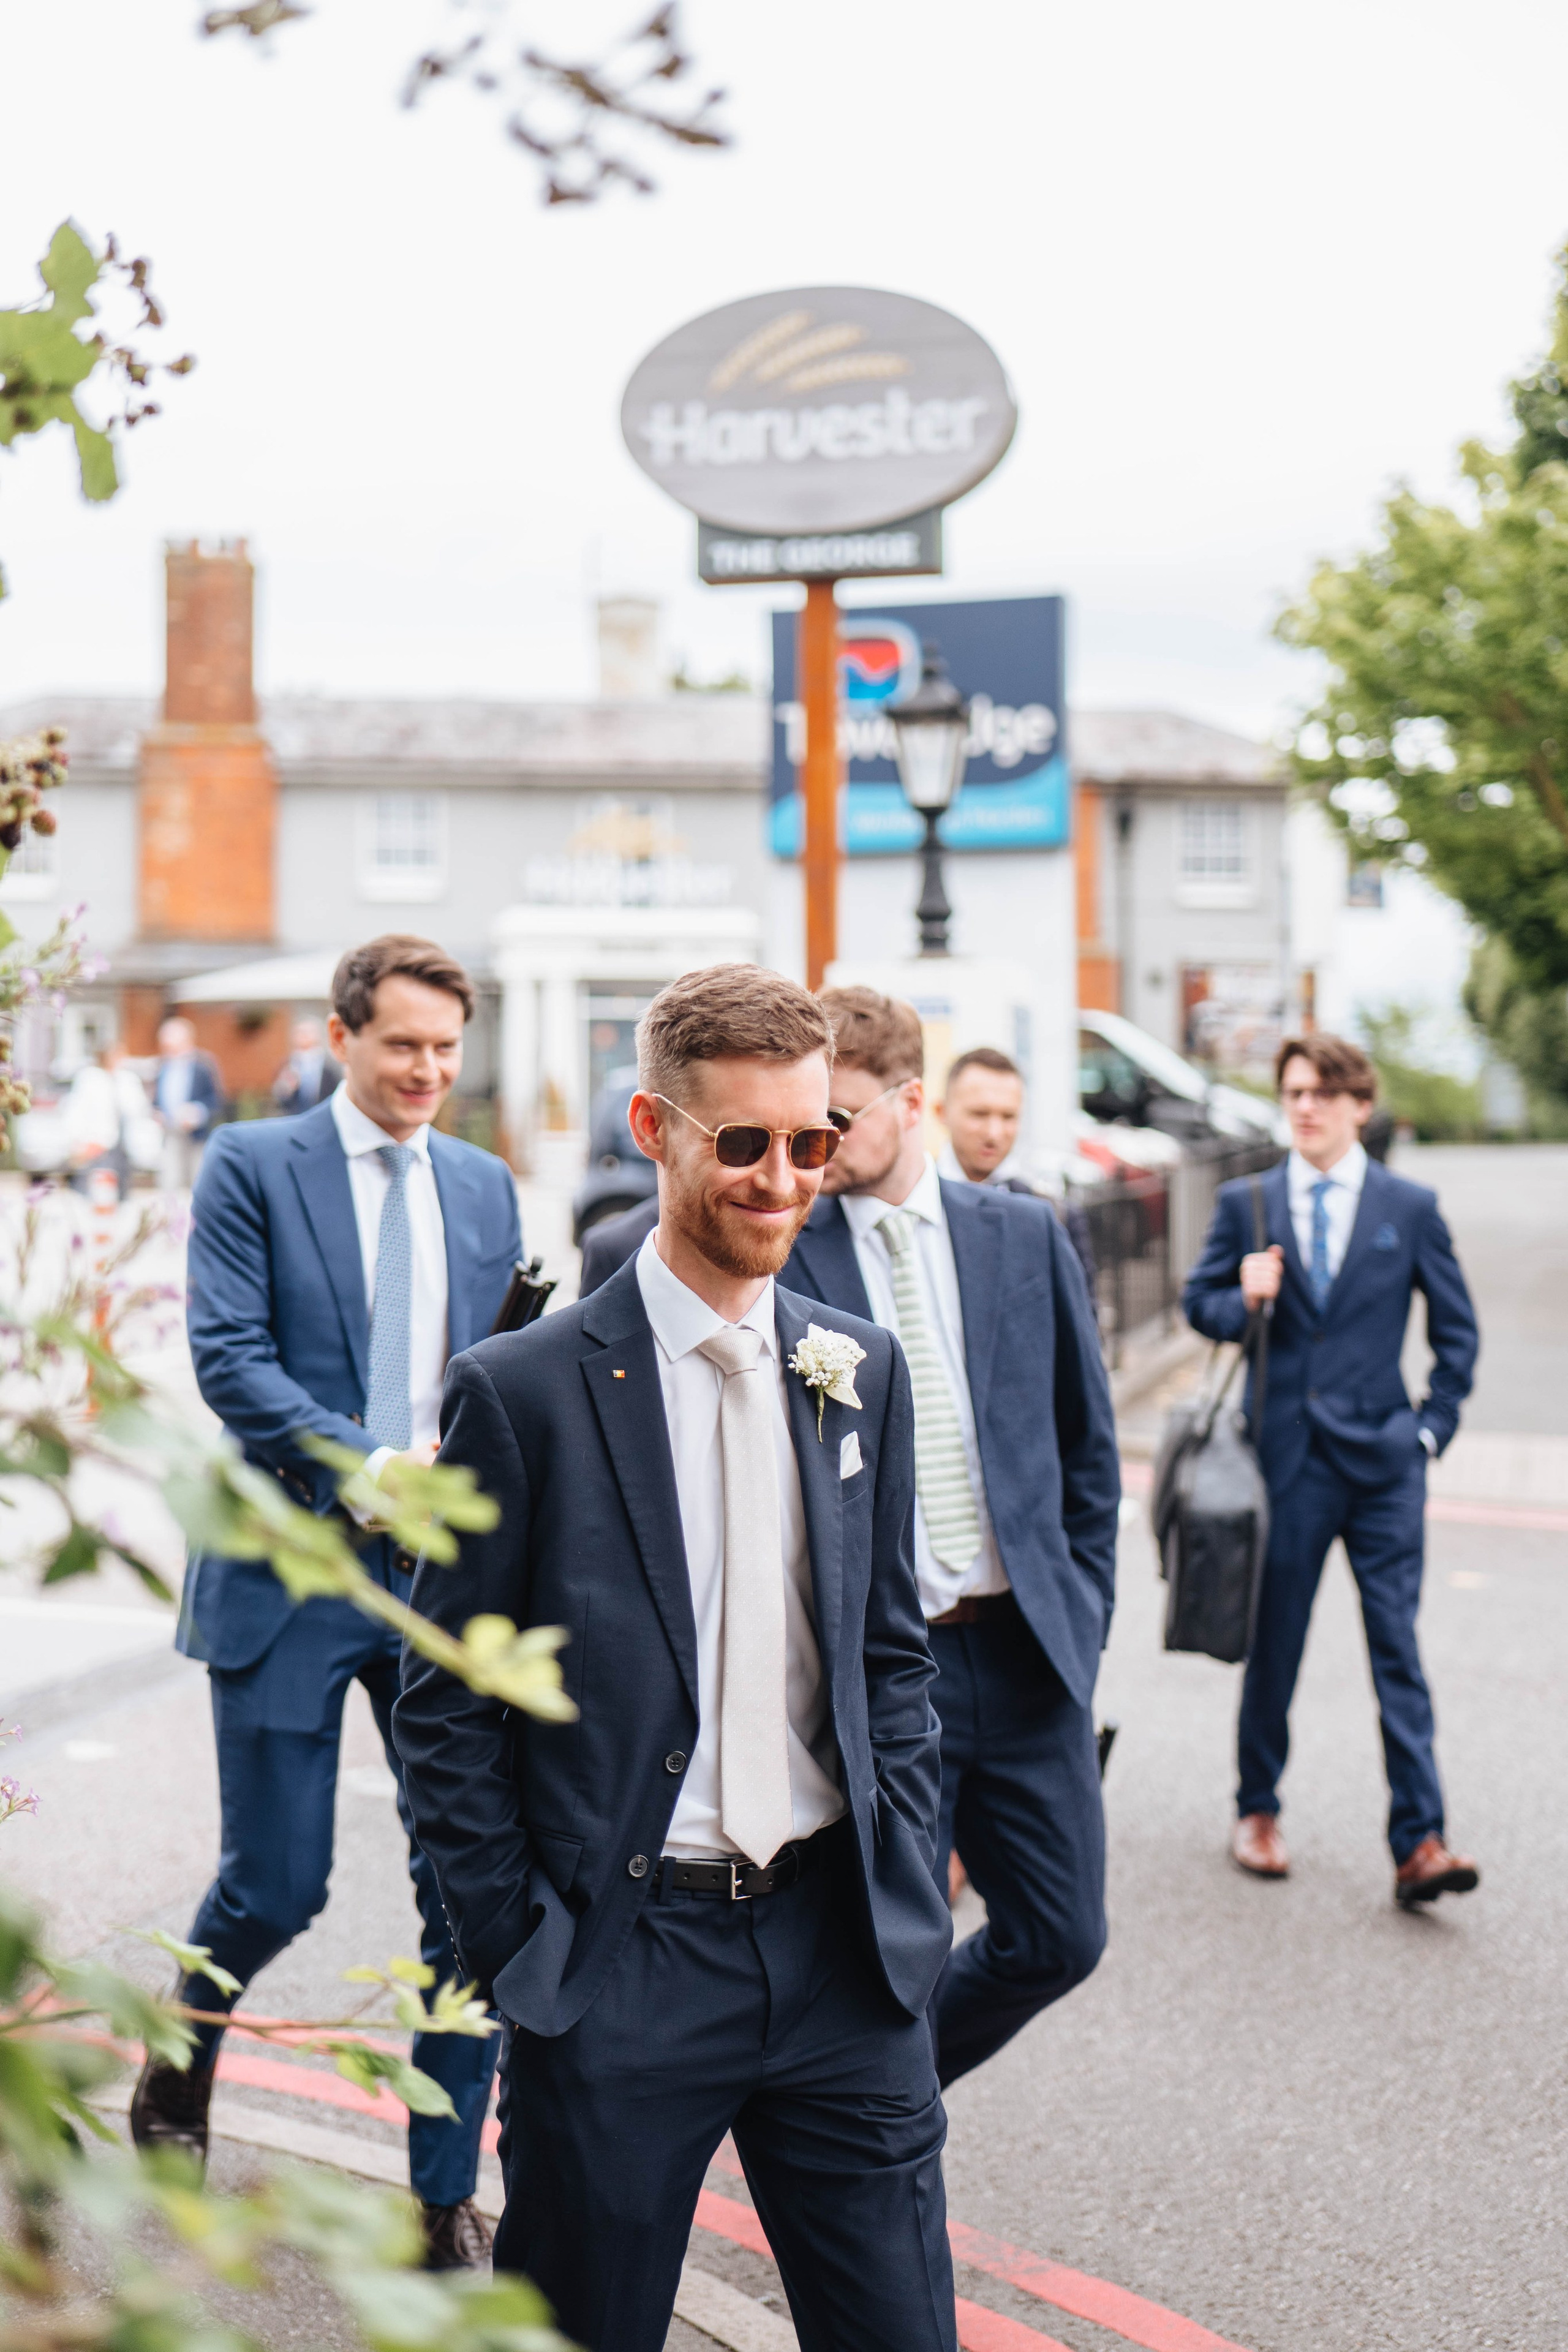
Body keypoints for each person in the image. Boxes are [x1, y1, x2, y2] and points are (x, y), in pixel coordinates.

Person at [393, 963, 958, 2352]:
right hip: (622, 1963)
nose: (782, 1178)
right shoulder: (517, 1392)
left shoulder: (856, 1367)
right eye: (744, 1142)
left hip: (839, 1958)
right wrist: (524, 1954)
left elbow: (887, 1651)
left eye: (811, 1140)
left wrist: (907, 1868)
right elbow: (444, 1703)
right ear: (654, 1128)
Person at [130, 935, 522, 2269]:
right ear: (346, 1035)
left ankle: (437, 2197)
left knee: (466, 1898)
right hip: (290, 1570)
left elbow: (494, 1372)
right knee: (276, 1884)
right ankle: (180, 2057)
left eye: (445, 1052)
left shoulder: (482, 1186)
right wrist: (367, 1473)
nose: (426, 1072)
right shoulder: (252, 1165)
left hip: (438, 1589)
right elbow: (229, 1360)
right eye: (403, 1044)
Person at [783, 987, 1120, 2090]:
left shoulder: (1023, 1232)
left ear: (911, 1099)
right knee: (897, 1964)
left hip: (1028, 1654)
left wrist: (1085, 1612)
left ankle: (868, 2110)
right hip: (892, 1669)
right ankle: (879, 2197)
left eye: (835, 1117)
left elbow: (1087, 1446)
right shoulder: (789, 1254)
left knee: (1061, 1937)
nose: (812, 1143)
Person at [1182, 1032, 1480, 1905]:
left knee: (1398, 1650)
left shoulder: (1410, 1205)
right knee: (1277, 1644)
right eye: (1293, 1092)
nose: (1304, 1107)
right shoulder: (1250, 1204)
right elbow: (1200, 1305)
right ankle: (1258, 1810)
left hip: (1386, 1466)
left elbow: (1457, 1333)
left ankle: (1420, 1840)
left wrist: (1431, 1432)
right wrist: (1244, 1296)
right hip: (1287, 1463)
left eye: (1322, 1093)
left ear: (1359, 1106)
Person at [935, 1044, 1098, 1309]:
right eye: (979, 1114)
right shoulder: (908, 1205)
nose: (994, 1133)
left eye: (1008, 1117)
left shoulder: (1055, 1214)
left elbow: (1082, 1325)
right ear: (941, 1112)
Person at [63, 1040, 149, 1200]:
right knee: (96, 1186)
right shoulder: (89, 1078)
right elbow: (77, 1111)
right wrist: (78, 1142)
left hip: (124, 1146)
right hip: (98, 1143)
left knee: (121, 1188)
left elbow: (138, 1109)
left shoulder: (127, 1079)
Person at [153, 1016, 225, 1189]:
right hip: (170, 1131)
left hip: (196, 1134)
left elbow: (217, 1100)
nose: (168, 1047)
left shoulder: (203, 1064)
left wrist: (197, 1113)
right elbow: (156, 1098)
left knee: (198, 1179)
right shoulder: (162, 1065)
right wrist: (156, 1112)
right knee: (169, 1179)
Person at [273, 1016, 339, 1114]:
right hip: (295, 1114)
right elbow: (280, 1096)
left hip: (322, 1113)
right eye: (300, 1033)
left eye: (307, 1033)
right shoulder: (288, 1064)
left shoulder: (330, 1064)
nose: (303, 1036)